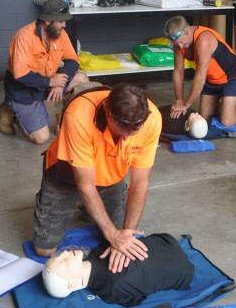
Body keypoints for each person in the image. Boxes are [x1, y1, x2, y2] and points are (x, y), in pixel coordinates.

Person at [33, 83, 162, 274]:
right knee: (44, 250)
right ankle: (65, 203)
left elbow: (140, 182)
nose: (126, 140)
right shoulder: (79, 115)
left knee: (120, 242)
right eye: (121, 130)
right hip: (65, 178)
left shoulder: (152, 119)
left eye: (133, 132)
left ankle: (88, 207)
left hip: (110, 179)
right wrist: (112, 235)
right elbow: (85, 185)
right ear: (108, 114)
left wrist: (126, 233)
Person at [0, 0, 89, 144]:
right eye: (60, 21)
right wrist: (51, 82)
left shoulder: (60, 34)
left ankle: (63, 116)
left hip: (49, 81)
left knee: (82, 79)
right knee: (41, 138)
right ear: (47, 20)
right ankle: (10, 111)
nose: (64, 24)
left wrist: (59, 82)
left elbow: (73, 60)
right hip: (23, 89)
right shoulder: (23, 36)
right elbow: (20, 74)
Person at [164, 16, 236, 128]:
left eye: (182, 42)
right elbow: (178, 72)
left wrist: (186, 104)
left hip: (230, 77)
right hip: (211, 79)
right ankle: (228, 100)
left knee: (227, 122)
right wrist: (179, 100)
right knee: (204, 118)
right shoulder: (179, 43)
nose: (180, 47)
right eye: (177, 44)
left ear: (187, 31)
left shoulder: (203, 39)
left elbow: (200, 78)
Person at [42, 233, 194, 307]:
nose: (65, 253)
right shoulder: (111, 288)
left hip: (177, 259)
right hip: (172, 250)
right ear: (72, 284)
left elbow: (135, 299)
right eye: (63, 262)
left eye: (59, 255)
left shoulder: (109, 290)